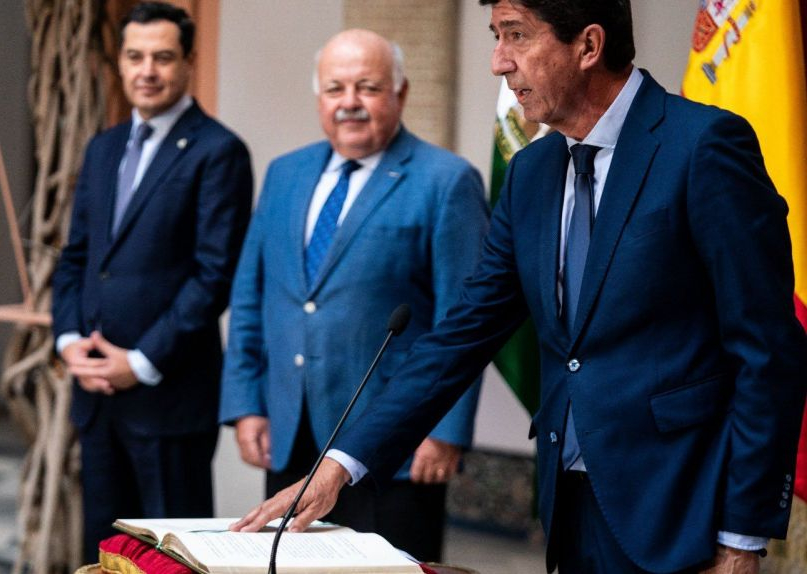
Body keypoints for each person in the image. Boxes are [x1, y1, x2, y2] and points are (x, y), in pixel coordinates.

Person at [231, 1, 807, 573]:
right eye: (495, 36)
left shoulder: (703, 145)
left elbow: (767, 352)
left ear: (588, 46)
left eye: (516, 36)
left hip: (684, 511)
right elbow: (461, 335)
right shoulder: (531, 172)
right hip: (568, 507)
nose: (499, 62)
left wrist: (741, 537)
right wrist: (339, 465)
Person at [219, 29, 489, 562]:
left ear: (400, 93)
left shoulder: (446, 181)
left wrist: (445, 430)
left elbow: (466, 321)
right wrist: (246, 404)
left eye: (367, 87)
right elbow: (252, 296)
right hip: (290, 431)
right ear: (319, 96)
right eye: (335, 88)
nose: (349, 102)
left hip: (396, 443)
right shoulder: (284, 173)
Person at [51, 1, 252, 561]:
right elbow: (76, 257)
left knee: (169, 559)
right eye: (135, 57)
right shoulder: (103, 147)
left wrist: (140, 362)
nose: (147, 71)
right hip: (95, 395)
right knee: (104, 552)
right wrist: (68, 342)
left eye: (162, 57)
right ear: (119, 62)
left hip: (168, 398)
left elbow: (213, 275)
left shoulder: (219, 151)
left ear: (188, 62)